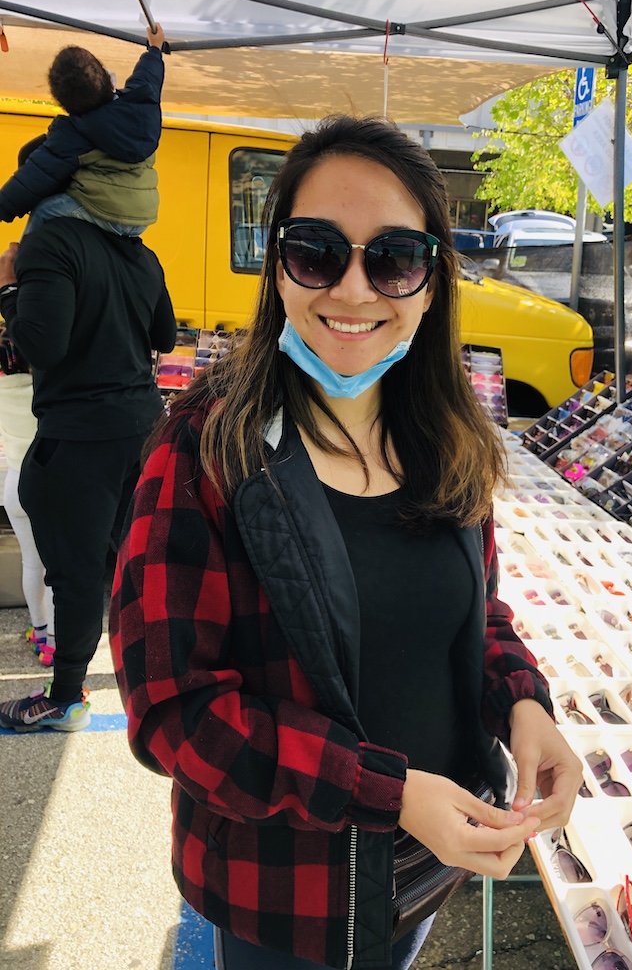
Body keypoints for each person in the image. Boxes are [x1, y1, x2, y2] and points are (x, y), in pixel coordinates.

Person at [109, 116, 581, 970]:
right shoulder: (205, 450)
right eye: (317, 251)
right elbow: (172, 712)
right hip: (284, 896)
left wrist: (525, 704)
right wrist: (389, 794)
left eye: (394, 257)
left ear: (433, 283)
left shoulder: (448, 437)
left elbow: (473, 615)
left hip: (427, 869)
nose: (355, 289)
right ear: (278, 270)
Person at [0, 202, 177, 732]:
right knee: (140, 560)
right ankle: (168, 678)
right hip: (144, 428)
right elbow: (164, 337)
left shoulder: (48, 245)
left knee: (75, 577)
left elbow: (41, 345)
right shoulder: (140, 252)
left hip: (80, 437)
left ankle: (67, 697)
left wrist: (9, 289)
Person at [0, 22, 166, 238]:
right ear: (109, 81)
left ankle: (18, 267)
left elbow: (34, 176)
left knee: (45, 211)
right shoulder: (140, 100)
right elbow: (149, 74)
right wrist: (155, 49)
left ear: (65, 106)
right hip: (144, 211)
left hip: (109, 213)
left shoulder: (74, 133)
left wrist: (3, 206)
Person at [0, 324, 54, 658]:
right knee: (58, 573)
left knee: (32, 565)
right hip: (46, 486)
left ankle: (40, 631)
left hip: (14, 485)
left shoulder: (3, 388)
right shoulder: (47, 390)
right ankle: (54, 647)